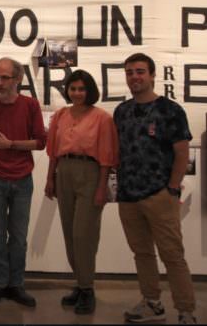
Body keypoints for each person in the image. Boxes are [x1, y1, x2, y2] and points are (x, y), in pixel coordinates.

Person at [114, 53, 197, 325]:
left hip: (160, 195)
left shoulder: (170, 110)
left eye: (140, 71)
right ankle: (152, 303)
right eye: (129, 72)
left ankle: (186, 311)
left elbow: (182, 153)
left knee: (172, 255)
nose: (134, 77)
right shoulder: (121, 112)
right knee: (142, 254)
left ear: (152, 75)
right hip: (128, 196)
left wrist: (172, 188)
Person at [44, 70, 119, 315]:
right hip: (64, 170)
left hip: (90, 173)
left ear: (90, 91)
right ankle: (80, 283)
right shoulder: (61, 115)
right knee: (68, 232)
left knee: (83, 235)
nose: (77, 93)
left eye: (82, 89)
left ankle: (87, 289)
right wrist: (50, 179)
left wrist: (101, 189)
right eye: (73, 88)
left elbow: (107, 156)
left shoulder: (102, 118)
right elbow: (54, 151)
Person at [0, 57, 47, 308]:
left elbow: (40, 142)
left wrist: (11, 145)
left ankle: (16, 284)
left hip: (22, 180)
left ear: (18, 79)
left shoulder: (30, 105)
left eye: (5, 77)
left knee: (18, 236)